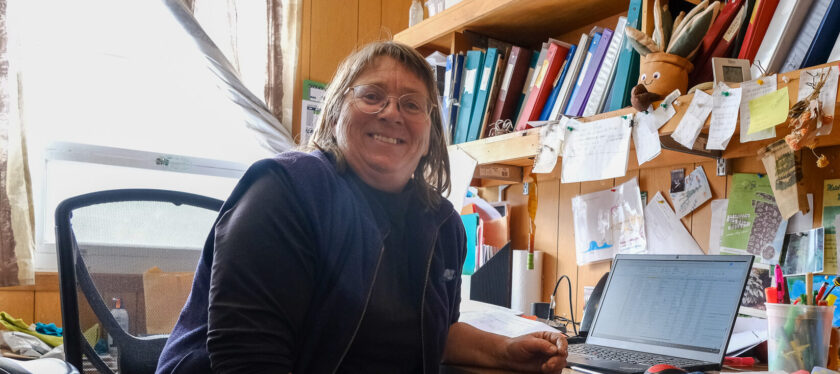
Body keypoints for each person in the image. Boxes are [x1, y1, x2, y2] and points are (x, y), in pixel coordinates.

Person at [155, 41, 568, 374]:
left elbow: (432, 333)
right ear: (335, 112)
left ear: (430, 133)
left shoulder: (442, 224)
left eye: (412, 104)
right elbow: (246, 356)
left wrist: (505, 352)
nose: (391, 113)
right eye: (372, 96)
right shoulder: (283, 192)